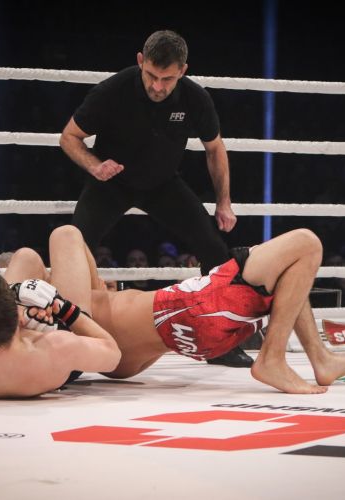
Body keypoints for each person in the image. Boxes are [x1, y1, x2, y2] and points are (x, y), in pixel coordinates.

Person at [0, 225, 345, 395]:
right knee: (306, 245)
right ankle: (274, 357)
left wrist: (68, 289)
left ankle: (319, 358)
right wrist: (39, 293)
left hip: (154, 344)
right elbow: (65, 241)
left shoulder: (45, 329)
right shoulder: (58, 316)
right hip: (185, 311)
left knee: (289, 278)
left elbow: (75, 283)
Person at [59, 29, 250, 367]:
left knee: (215, 250)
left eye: (167, 79)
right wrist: (94, 165)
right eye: (151, 75)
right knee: (75, 249)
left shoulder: (195, 98)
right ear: (140, 61)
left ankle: (219, 343)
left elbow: (215, 148)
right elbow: (69, 137)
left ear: (183, 71)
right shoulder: (113, 90)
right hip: (111, 182)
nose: (158, 86)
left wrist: (224, 202)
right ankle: (69, 345)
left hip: (163, 184)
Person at [0, 227, 122, 398]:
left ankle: (49, 285)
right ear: (19, 318)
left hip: (19, 341)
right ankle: (96, 292)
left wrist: (22, 305)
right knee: (66, 234)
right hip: (55, 359)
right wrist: (62, 307)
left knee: (26, 256)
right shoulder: (58, 345)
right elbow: (113, 355)